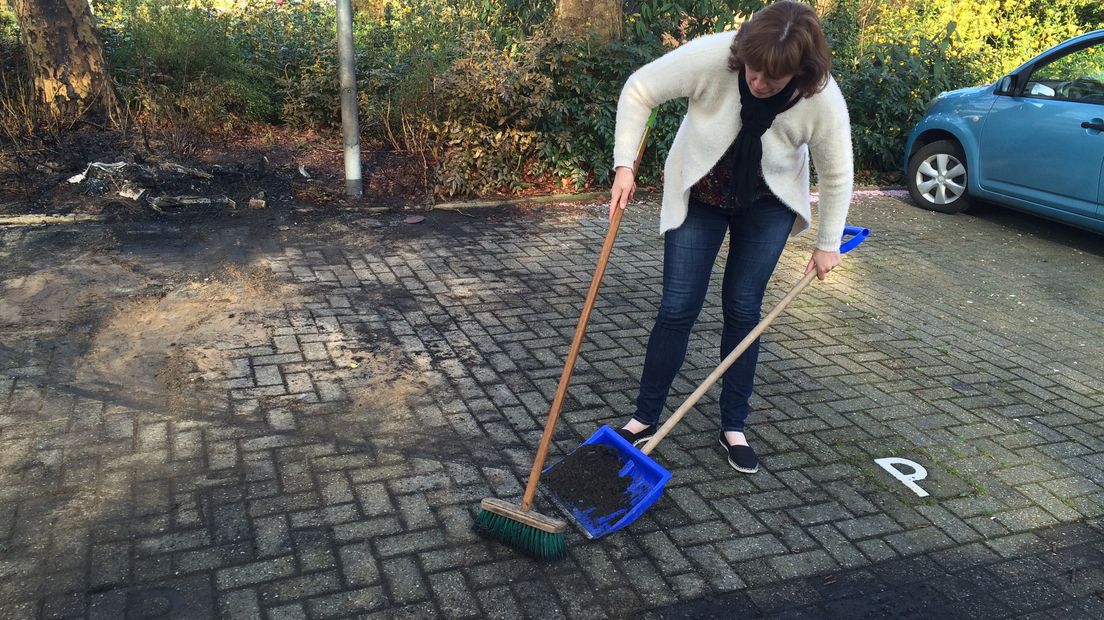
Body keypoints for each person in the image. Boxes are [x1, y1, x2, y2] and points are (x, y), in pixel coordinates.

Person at [609, 0, 853, 474]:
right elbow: (639, 89)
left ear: (799, 75)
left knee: (743, 311)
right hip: (700, 196)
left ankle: (733, 425)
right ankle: (643, 419)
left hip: (767, 205)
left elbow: (838, 174)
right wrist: (624, 164)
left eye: (773, 80)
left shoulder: (821, 98)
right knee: (677, 308)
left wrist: (829, 243)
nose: (759, 83)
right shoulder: (717, 55)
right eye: (754, 71)